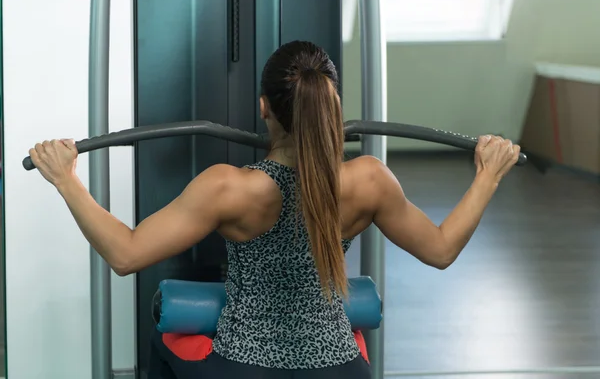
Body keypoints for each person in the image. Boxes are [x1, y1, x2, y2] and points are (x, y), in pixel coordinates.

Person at [29, 40, 521, 379]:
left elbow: (126, 254)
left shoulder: (229, 189)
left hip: (243, 367)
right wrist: (488, 175)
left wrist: (66, 180)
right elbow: (439, 250)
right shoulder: (368, 179)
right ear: (331, 106)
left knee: (162, 347)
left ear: (263, 107)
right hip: (339, 369)